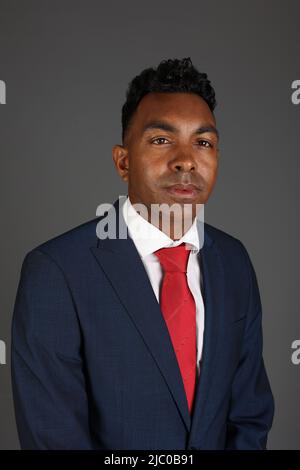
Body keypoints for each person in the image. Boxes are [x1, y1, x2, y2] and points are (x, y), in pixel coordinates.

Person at [11, 57, 274, 450]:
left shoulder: (234, 262)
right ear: (123, 161)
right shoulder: (56, 272)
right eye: (162, 140)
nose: (186, 159)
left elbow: (250, 417)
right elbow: (53, 436)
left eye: (203, 142)